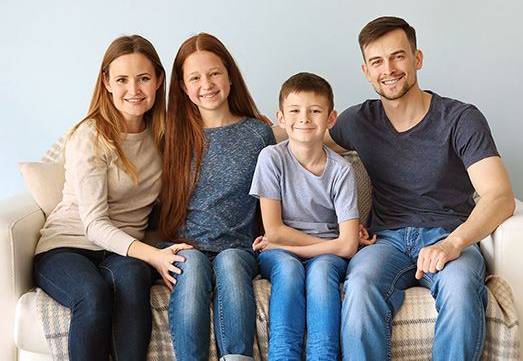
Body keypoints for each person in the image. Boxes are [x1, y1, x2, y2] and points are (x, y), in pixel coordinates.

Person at [325, 17, 515, 360]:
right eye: (377, 62)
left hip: (449, 235)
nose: (389, 69)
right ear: (366, 71)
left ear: (417, 59)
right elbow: (301, 135)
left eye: (398, 56)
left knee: (459, 290)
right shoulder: (358, 121)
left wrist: (453, 243)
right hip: (386, 241)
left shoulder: (460, 118)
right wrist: (258, 127)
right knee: (360, 286)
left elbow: (499, 197)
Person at [33, 35, 193, 361]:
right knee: (92, 296)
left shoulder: (164, 136)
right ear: (106, 82)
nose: (133, 89)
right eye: (122, 79)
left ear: (159, 80)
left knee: (133, 278)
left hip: (120, 252)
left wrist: (252, 123)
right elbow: (93, 225)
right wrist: (154, 256)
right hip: (68, 245)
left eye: (144, 78)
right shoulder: (90, 136)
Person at [158, 33, 275, 361]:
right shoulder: (172, 136)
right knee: (192, 266)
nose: (206, 84)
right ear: (183, 86)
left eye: (214, 73)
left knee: (230, 264)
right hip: (184, 245)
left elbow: (278, 190)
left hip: (237, 246)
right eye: (194, 77)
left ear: (229, 77)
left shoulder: (257, 133)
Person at [249, 72, 376, 361]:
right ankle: (283, 356)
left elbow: (347, 248)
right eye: (295, 111)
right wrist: (289, 244)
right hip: (282, 253)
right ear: (281, 117)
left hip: (319, 255)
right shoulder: (271, 159)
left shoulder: (341, 170)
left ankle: (323, 356)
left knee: (320, 275)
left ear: (331, 119)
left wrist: (289, 246)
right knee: (291, 272)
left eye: (315, 111)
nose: (304, 118)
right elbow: (274, 230)